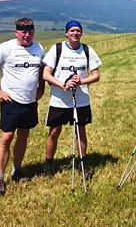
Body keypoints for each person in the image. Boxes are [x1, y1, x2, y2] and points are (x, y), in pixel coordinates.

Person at [0, 17, 45, 196]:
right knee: (7, 137)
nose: (27, 35)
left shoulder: (39, 48)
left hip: (30, 101)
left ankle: (17, 170)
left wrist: (41, 87)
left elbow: (40, 70)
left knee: (24, 135)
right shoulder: (5, 48)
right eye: (23, 31)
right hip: (11, 101)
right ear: (16, 32)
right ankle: (0, 178)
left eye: (30, 31)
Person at [42, 20, 102, 178]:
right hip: (59, 99)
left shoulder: (87, 50)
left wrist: (81, 81)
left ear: (81, 33)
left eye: (78, 31)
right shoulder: (57, 49)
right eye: (72, 31)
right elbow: (46, 74)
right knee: (54, 131)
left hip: (81, 99)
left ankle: (82, 163)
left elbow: (96, 75)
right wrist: (63, 84)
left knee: (80, 131)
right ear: (66, 33)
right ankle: (48, 164)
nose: (75, 33)